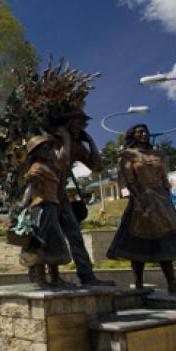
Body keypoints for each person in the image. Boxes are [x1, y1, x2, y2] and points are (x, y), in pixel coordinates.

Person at [106, 124, 176, 293]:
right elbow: (129, 180)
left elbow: (164, 179)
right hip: (141, 200)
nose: (144, 134)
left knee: (167, 242)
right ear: (133, 135)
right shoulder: (127, 155)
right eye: (140, 132)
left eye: (146, 131)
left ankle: (172, 283)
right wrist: (139, 200)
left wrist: (168, 201)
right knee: (137, 242)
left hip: (162, 201)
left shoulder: (159, 155)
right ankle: (138, 283)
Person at [52, 109, 113, 286]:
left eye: (83, 124)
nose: (81, 126)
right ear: (68, 123)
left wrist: (91, 142)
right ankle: (48, 277)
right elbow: (62, 163)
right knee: (48, 235)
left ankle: (87, 276)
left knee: (74, 234)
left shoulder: (77, 146)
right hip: (45, 193)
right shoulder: (53, 142)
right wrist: (66, 139)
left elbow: (97, 167)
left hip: (61, 194)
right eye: (78, 122)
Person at [17, 134, 72, 287]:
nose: (47, 150)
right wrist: (22, 203)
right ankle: (40, 279)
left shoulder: (49, 166)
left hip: (51, 206)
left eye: (48, 147)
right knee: (40, 242)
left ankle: (55, 277)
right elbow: (31, 186)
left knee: (54, 243)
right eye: (43, 148)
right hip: (41, 208)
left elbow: (63, 161)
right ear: (35, 152)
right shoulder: (37, 167)